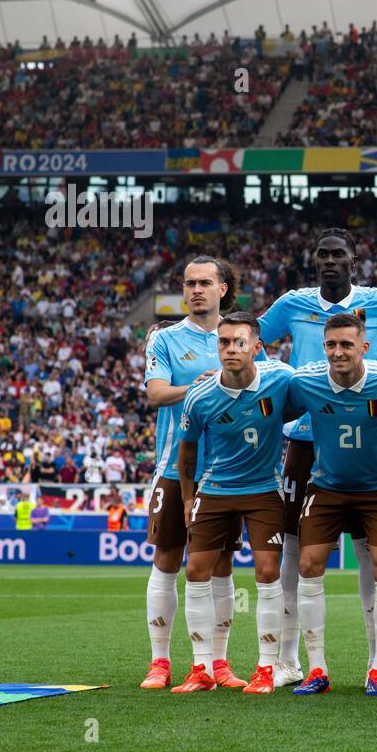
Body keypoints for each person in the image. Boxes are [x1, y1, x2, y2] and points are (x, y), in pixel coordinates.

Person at [257, 228, 377, 688]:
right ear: (314, 260)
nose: (330, 261)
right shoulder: (291, 303)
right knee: (291, 548)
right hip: (305, 441)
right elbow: (251, 339)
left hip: (366, 434)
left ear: (354, 258)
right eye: (322, 254)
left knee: (374, 553)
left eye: (337, 254)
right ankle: (289, 659)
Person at [284, 314, 377, 696]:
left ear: (364, 348)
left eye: (346, 345)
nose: (338, 352)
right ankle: (316, 668)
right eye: (331, 345)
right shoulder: (305, 382)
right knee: (307, 565)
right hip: (326, 489)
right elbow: (273, 401)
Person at [172, 312, 300, 694]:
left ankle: (265, 669)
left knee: (266, 572)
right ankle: (202, 669)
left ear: (257, 347)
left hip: (263, 491)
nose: (230, 349)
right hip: (215, 491)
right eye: (224, 342)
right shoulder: (200, 396)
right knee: (196, 571)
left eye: (239, 342)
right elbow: (187, 454)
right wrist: (188, 499)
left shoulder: (281, 379)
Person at [139, 256, 245, 691]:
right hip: (173, 468)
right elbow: (156, 393)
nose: (195, 289)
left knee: (221, 566)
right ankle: (159, 662)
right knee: (166, 559)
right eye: (188, 283)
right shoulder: (165, 338)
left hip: (225, 471)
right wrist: (196, 387)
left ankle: (218, 664)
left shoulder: (240, 338)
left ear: (223, 288)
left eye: (204, 282)